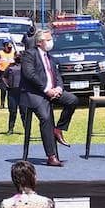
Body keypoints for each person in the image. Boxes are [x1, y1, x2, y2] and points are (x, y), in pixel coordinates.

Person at [21, 28, 79, 167]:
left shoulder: (51, 57)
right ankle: (51, 156)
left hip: (53, 92)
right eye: (48, 40)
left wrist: (58, 88)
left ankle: (58, 129)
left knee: (72, 100)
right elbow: (30, 75)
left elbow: (58, 75)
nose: (50, 42)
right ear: (40, 42)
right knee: (46, 118)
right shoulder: (29, 54)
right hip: (36, 94)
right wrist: (47, 90)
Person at [2, 45, 24, 134]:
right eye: (16, 56)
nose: (17, 57)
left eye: (19, 56)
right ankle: (11, 129)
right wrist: (7, 85)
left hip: (22, 93)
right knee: (12, 112)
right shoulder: (10, 67)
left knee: (24, 113)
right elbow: (4, 77)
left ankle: (26, 129)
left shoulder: (25, 67)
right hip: (12, 92)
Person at [0, 40, 16, 109]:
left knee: (12, 90)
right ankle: (2, 103)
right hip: (3, 73)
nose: (9, 47)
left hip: (12, 73)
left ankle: (13, 104)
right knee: (3, 89)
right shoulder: (0, 53)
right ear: (4, 46)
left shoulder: (13, 53)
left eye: (10, 45)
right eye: (8, 45)